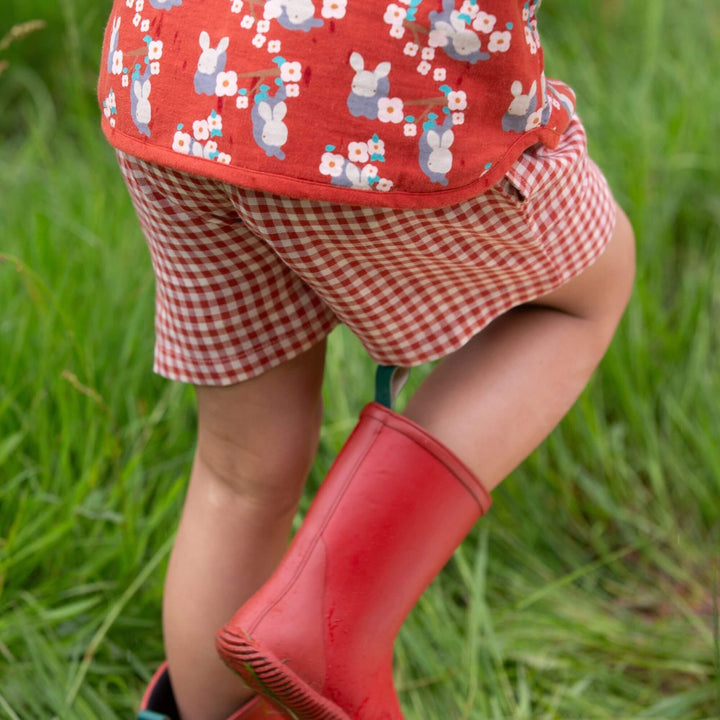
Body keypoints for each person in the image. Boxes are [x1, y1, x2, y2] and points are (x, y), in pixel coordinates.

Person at [98, 1, 635, 718]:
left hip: (168, 78)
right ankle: (326, 618)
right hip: (360, 102)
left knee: (242, 471)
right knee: (585, 294)